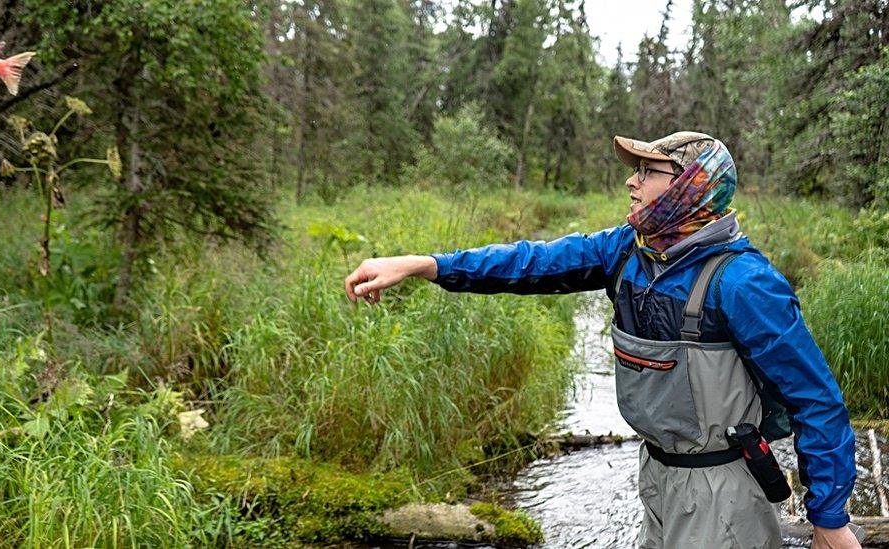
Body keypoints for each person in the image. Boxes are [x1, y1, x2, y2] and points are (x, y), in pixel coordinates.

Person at [343, 131, 861, 549]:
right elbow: (532, 263)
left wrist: (829, 518)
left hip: (722, 490)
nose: (631, 183)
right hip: (656, 470)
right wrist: (425, 265)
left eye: (647, 172)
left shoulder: (744, 282)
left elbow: (815, 399)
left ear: (691, 186)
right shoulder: (627, 250)